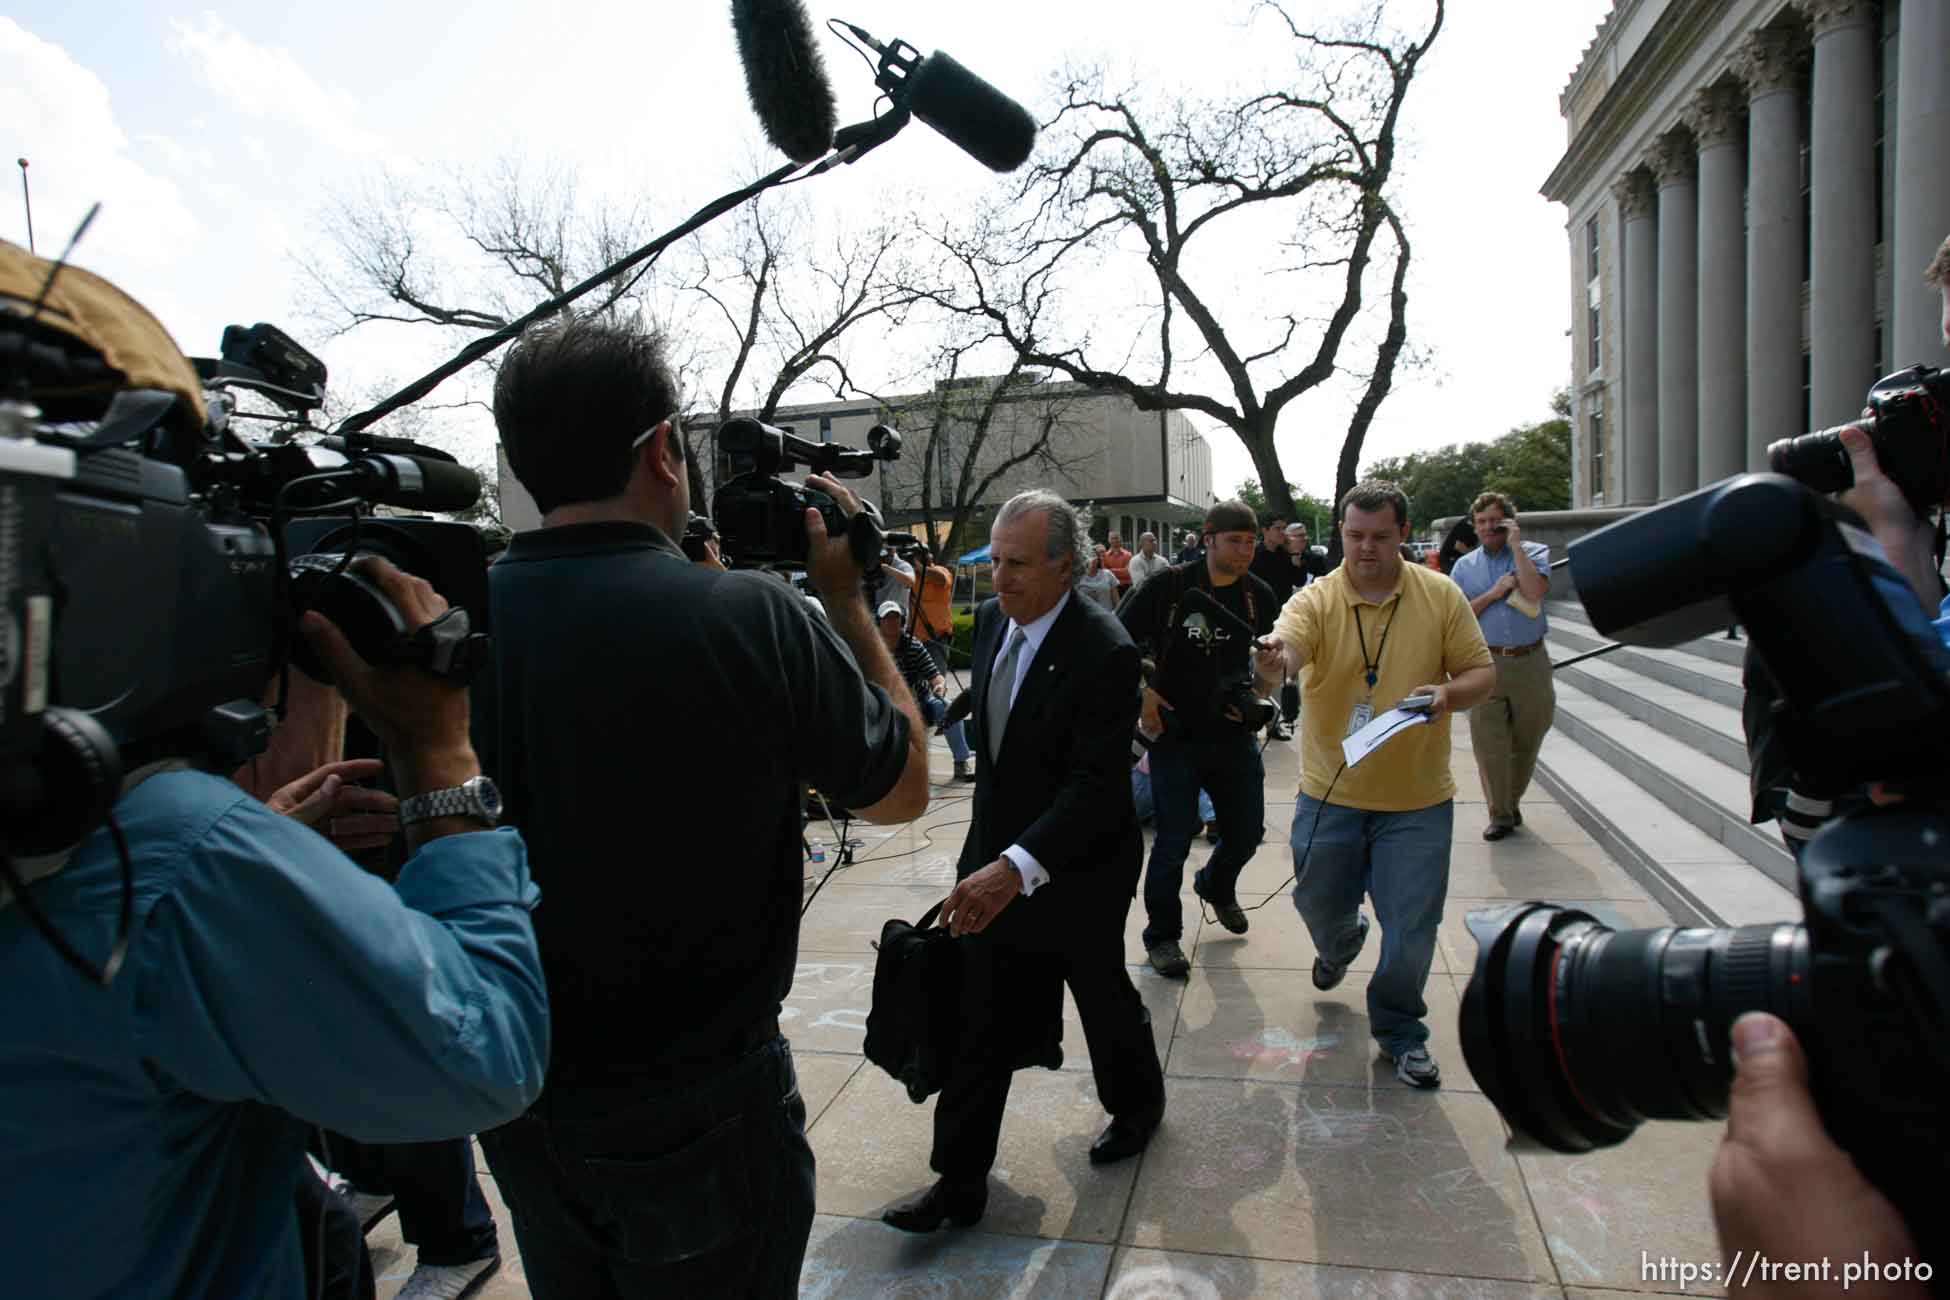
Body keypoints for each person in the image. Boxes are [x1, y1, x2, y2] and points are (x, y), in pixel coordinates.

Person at [475, 317, 930, 1298]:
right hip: (704, 1108)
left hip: (522, 1096)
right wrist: (849, 608)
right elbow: (902, 789)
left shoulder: (451, 625)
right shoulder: (749, 621)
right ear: (663, 450)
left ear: (519, 461)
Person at [0, 557, 551, 1300]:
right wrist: (439, 758)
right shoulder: (172, 851)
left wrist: (259, 840)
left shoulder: (133, 849)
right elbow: (487, 1055)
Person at [882, 489, 1166, 1233]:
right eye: (996, 560)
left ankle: (1137, 1106)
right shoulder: (997, 630)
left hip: (1080, 870)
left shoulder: (1104, 651)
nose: (998, 579)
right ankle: (959, 1186)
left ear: (1064, 566)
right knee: (978, 1019)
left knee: (1100, 996)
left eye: (1016, 564)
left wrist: (1016, 866)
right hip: (997, 862)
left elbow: (1093, 787)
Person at [1268, 480, 1494, 1089]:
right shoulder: (1315, 599)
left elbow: (1482, 673)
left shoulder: (1439, 595)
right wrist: (1273, 663)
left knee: (1412, 927)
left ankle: (1399, 1030)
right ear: (1340, 532)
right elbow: (1287, 649)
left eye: (1380, 537)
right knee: (1316, 902)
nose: (1366, 548)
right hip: (1328, 796)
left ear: (1402, 535)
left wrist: (1447, 693)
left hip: (1417, 801)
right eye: (1354, 535)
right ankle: (1339, 943)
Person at [1118, 500, 1284, 977]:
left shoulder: (1260, 596)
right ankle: (1163, 936)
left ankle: (1215, 882)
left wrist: (1263, 688)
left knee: (1248, 832)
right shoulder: (1167, 587)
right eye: (1234, 540)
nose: (1244, 550)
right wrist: (1144, 691)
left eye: (1250, 541)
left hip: (1233, 733)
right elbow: (1116, 641)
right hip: (1175, 735)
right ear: (1208, 539)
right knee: (1173, 838)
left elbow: (1269, 666)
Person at [1448, 492, 1555, 842]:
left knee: (1529, 738)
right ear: (1474, 527)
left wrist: (1517, 547)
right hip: (1485, 661)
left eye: (1495, 520)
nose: (1488, 527)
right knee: (1489, 745)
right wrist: (1495, 593)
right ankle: (1500, 814)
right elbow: (1459, 617)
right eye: (1481, 522)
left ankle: (1509, 802)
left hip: (1531, 661)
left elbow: (1535, 591)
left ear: (1510, 522)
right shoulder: (1464, 567)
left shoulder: (1534, 553)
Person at [879, 600, 975, 783]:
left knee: (947, 708)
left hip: (919, 703)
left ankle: (961, 762)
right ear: (879, 622)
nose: (892, 622)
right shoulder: (873, 647)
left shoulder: (913, 645)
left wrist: (940, 686)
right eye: (887, 618)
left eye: (896, 618)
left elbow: (935, 675)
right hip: (885, 704)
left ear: (903, 621)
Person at [908, 546, 958, 675]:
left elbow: (941, 579)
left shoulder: (941, 571)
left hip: (937, 638)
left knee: (937, 680)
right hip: (914, 640)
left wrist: (918, 566)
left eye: (920, 555)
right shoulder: (910, 576)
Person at [1250, 513, 1295, 607]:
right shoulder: (1253, 555)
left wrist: (1295, 554)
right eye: (1278, 528)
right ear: (1265, 531)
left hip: (1285, 610)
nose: (1283, 532)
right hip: (1262, 610)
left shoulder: (1287, 554)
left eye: (1284, 528)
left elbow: (1299, 581)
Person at [1285, 521, 1327, 590]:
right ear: (1288, 538)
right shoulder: (1280, 557)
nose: (1305, 538)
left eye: (1305, 535)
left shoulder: (1316, 559)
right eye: (1300, 535)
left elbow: (1321, 584)